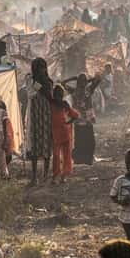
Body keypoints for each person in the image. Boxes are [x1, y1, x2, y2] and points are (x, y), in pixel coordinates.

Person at [25, 58, 54, 186]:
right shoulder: (30, 79)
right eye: (39, 67)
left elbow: (50, 95)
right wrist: (42, 87)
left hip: (46, 114)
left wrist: (43, 86)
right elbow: (31, 93)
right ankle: (34, 177)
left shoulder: (48, 81)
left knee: (46, 143)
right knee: (35, 145)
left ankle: (45, 176)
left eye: (43, 67)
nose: (42, 70)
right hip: (35, 114)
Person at [64, 74, 101, 166]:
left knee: (89, 139)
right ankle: (80, 159)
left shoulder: (88, 90)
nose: (83, 82)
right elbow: (62, 84)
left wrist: (88, 80)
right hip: (78, 118)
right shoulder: (74, 90)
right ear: (78, 82)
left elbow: (98, 79)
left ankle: (87, 158)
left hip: (87, 117)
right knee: (80, 139)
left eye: (84, 80)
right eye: (81, 80)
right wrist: (72, 78)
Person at [50, 85, 80, 183]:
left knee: (64, 156)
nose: (58, 96)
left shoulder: (62, 104)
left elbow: (75, 115)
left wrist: (68, 122)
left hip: (63, 133)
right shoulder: (53, 104)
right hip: (57, 133)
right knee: (57, 156)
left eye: (59, 95)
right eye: (57, 94)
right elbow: (75, 115)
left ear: (61, 95)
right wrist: (69, 122)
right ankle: (56, 176)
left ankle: (62, 176)